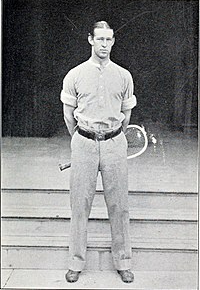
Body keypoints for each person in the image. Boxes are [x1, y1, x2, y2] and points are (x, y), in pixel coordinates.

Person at [60, 21, 137, 283]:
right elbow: (69, 115)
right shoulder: (75, 74)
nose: (104, 45)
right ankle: (75, 263)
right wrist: (83, 140)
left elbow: (126, 115)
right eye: (100, 39)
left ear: (113, 41)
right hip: (83, 143)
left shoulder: (124, 75)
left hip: (115, 143)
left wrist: (112, 138)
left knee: (119, 206)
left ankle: (123, 261)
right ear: (90, 40)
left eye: (109, 39)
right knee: (79, 205)